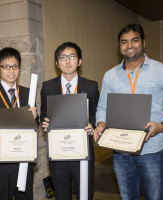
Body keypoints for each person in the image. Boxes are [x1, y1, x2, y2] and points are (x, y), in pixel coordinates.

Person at [94, 23, 163, 200]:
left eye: (134, 40)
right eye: (124, 42)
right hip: (120, 150)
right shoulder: (110, 75)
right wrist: (101, 124)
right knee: (127, 197)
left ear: (144, 43)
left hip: (151, 150)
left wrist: (162, 126)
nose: (129, 46)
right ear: (119, 46)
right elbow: (102, 108)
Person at [41, 42, 99, 200]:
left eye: (72, 57)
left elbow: (97, 113)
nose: (67, 61)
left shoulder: (91, 86)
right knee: (61, 194)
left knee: (84, 194)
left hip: (82, 151)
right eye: (63, 57)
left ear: (79, 61)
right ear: (56, 63)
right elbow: (44, 115)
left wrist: (92, 126)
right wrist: (44, 122)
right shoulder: (47, 87)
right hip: (58, 151)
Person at [0, 47, 39, 200]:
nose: (11, 71)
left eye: (15, 66)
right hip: (1, 164)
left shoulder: (28, 94)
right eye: (6, 66)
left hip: (24, 162)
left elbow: (34, 128)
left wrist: (35, 117)